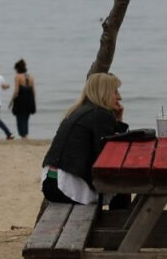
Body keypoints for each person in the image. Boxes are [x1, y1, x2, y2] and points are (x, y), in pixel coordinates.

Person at [39, 72, 127, 205]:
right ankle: (120, 225)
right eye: (115, 91)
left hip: (51, 182)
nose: (119, 97)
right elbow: (107, 156)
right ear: (104, 92)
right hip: (66, 187)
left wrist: (117, 122)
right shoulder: (100, 114)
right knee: (122, 187)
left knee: (119, 187)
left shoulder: (80, 110)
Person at [9, 59, 36, 139]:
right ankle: (25, 135)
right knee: (26, 118)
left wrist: (11, 102)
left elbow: (16, 91)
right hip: (29, 100)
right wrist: (33, 101)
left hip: (20, 101)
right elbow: (34, 91)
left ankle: (23, 136)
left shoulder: (17, 77)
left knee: (20, 118)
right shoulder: (30, 77)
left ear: (18, 69)